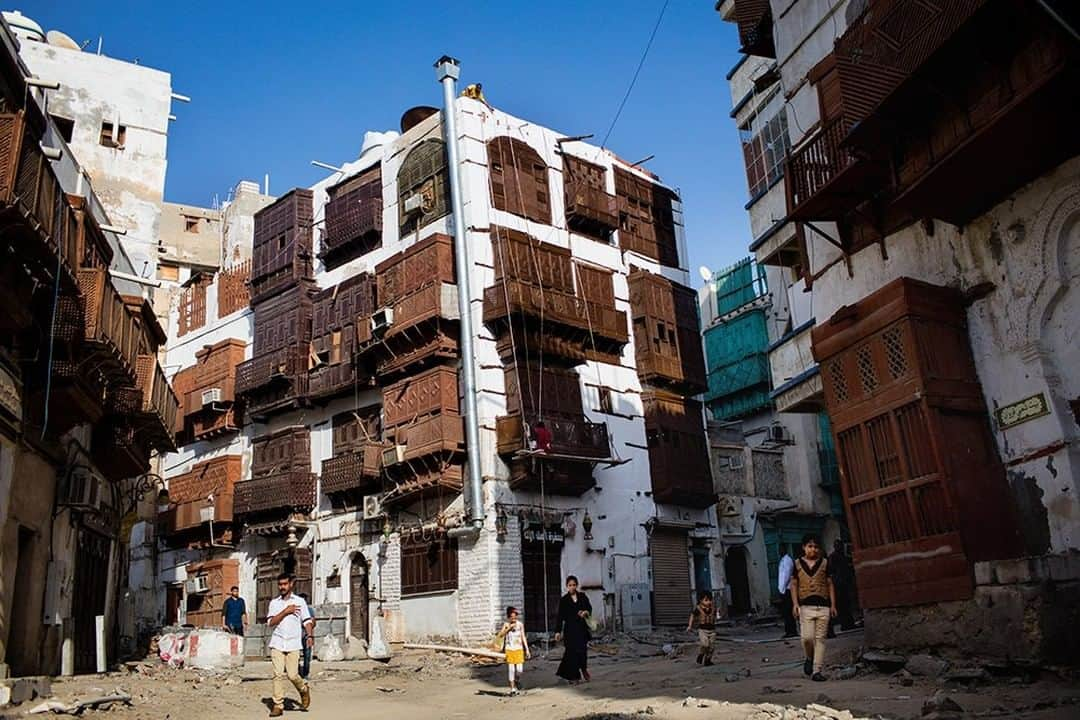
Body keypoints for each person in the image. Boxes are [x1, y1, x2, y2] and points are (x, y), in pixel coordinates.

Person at [790, 534, 837, 682]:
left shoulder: (825, 563)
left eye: (816, 547)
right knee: (807, 638)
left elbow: (830, 584)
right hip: (805, 607)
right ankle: (809, 658)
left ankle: (817, 670)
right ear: (804, 547)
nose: (813, 549)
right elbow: (794, 585)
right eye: (810, 546)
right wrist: (795, 604)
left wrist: (833, 605)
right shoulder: (796, 564)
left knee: (820, 639)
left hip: (823, 607)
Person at [266, 573, 313, 717]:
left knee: (293, 675)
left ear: (291, 584)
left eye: (285, 584)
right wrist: (285, 612)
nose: (282, 587)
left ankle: (303, 689)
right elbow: (270, 623)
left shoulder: (300, 602)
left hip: (293, 643)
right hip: (278, 642)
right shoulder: (274, 603)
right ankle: (278, 705)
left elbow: (307, 620)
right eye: (280, 584)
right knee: (277, 674)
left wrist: (309, 635)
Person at [554, 575, 592, 683]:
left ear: (577, 585)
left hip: (581, 629)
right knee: (571, 653)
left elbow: (589, 608)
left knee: (582, 652)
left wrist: (586, 612)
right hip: (570, 630)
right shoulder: (564, 600)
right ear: (567, 586)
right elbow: (560, 617)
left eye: (574, 585)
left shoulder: (583, 596)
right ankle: (575, 676)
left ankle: (584, 669)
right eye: (570, 585)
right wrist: (557, 631)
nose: (572, 587)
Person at [500, 606, 531, 695]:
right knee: (511, 670)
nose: (514, 618)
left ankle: (517, 680)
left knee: (519, 669)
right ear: (508, 617)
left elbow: (523, 636)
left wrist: (527, 649)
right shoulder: (506, 624)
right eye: (512, 617)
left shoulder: (520, 624)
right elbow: (501, 635)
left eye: (515, 616)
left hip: (519, 649)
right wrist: (508, 628)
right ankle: (512, 689)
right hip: (509, 649)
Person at [829, 539, 856, 632]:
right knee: (842, 605)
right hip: (839, 585)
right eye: (837, 545)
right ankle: (845, 624)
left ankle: (849, 624)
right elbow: (832, 571)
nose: (839, 547)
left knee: (847, 604)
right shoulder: (833, 557)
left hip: (844, 583)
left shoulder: (843, 556)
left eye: (839, 545)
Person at [685, 591, 717, 666]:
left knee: (711, 647)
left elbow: (716, 616)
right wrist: (690, 626)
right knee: (705, 644)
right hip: (703, 630)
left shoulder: (713, 608)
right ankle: (701, 654)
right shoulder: (698, 609)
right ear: (701, 601)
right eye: (706, 600)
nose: (709, 602)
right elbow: (692, 615)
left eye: (710, 600)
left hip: (712, 630)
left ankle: (707, 660)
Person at [777, 545, 797, 638]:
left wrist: (782, 588)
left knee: (789, 611)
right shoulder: (782, 560)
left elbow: (787, 575)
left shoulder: (787, 560)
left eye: (781, 549)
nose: (779, 551)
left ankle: (792, 631)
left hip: (787, 589)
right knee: (785, 612)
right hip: (783, 589)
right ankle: (788, 630)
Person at [297, 592, 316, 680]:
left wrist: (310, 632)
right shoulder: (296, 610)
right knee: (295, 655)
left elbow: (313, 623)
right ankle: (295, 672)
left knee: (307, 655)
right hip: (296, 635)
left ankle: (305, 673)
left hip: (307, 635)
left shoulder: (310, 610)